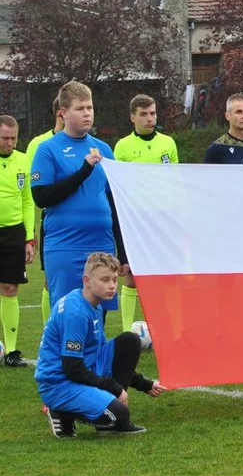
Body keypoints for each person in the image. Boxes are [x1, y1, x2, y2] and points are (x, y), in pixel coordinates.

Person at [36, 252, 166, 437]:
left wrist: (143, 384)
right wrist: (115, 388)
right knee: (119, 417)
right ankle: (60, 411)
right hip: (60, 384)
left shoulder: (94, 305)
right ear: (87, 280)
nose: (112, 285)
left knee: (129, 341)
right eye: (105, 280)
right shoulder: (76, 313)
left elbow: (103, 354)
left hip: (80, 371)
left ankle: (105, 409)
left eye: (114, 279)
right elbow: (72, 369)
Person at [31, 82, 125, 319]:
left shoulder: (104, 149)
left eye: (90, 107)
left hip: (101, 245)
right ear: (63, 112)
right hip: (65, 245)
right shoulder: (47, 149)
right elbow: (41, 197)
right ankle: (67, 358)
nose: (87, 113)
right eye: (80, 108)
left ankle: (93, 358)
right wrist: (84, 170)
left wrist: (123, 251)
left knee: (97, 319)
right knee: (67, 315)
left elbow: (115, 205)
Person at [113, 95, 179, 332]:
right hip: (135, 220)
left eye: (152, 113)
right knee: (131, 275)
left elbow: (175, 181)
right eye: (143, 114)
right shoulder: (122, 147)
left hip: (163, 219)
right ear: (133, 117)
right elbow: (118, 187)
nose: (149, 118)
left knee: (165, 275)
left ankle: (168, 328)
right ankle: (126, 331)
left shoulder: (168, 143)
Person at [0, 116, 35, 367]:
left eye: (13, 138)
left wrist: (29, 239)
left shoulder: (23, 160)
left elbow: (27, 201)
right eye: (5, 138)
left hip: (13, 233)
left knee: (10, 289)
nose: (10, 143)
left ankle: (12, 351)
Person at [27, 97, 64, 322]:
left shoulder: (88, 144)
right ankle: (48, 332)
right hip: (51, 223)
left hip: (80, 225)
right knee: (50, 281)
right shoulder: (39, 145)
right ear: (61, 113)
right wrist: (31, 231)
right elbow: (33, 193)